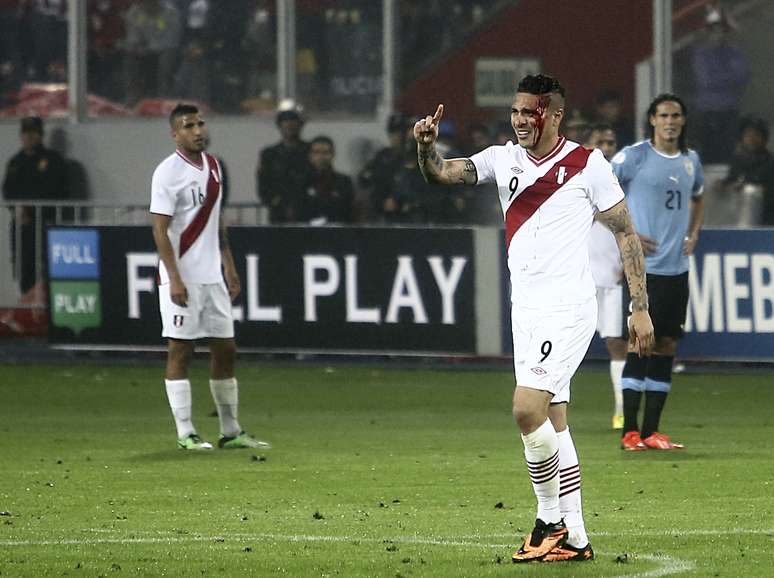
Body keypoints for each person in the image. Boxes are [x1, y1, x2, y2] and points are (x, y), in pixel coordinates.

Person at [414, 74, 654, 563]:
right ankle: (578, 539)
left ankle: (549, 521)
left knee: (527, 409)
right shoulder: (503, 159)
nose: (522, 120)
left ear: (555, 115)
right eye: (517, 112)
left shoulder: (588, 164)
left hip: (567, 309)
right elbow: (441, 173)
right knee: (553, 423)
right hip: (525, 310)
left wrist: (640, 307)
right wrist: (425, 148)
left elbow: (626, 232)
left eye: (531, 112)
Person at [150, 103, 270, 451]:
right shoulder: (167, 173)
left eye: (201, 123)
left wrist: (228, 264)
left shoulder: (215, 167)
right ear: (175, 134)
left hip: (212, 275)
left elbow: (216, 220)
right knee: (181, 350)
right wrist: (174, 278)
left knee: (226, 349)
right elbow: (159, 230)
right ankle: (185, 431)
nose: (198, 130)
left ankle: (230, 431)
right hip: (182, 275)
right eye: (189, 125)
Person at [612, 93, 704, 451]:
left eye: (676, 115)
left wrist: (694, 232)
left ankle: (651, 431)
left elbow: (698, 196)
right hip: (642, 271)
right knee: (639, 344)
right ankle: (629, 432)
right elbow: (598, 191)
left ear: (682, 121)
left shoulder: (690, 161)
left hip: (676, 271)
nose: (670, 121)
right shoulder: (633, 157)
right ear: (652, 120)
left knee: (666, 345)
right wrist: (625, 230)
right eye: (663, 115)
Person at [585, 124, 627, 429]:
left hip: (612, 275)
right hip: (581, 274)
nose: (607, 146)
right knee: (564, 343)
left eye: (611, 141)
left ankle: (621, 409)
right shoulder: (577, 176)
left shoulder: (622, 182)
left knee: (616, 343)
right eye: (601, 141)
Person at [2, 116, 69, 294]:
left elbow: (56, 190)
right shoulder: (15, 162)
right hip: (21, 226)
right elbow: (8, 190)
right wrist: (17, 209)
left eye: (33, 133)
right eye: (25, 133)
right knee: (23, 266)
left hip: (44, 224)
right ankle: (28, 305)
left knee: (46, 266)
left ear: (40, 135)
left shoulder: (52, 160)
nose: (28, 137)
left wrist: (31, 210)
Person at [256, 104, 310, 223]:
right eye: (286, 123)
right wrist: (275, 201)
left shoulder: (310, 151)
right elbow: (263, 185)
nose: (290, 126)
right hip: (278, 213)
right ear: (279, 126)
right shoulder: (269, 154)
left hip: (306, 211)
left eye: (293, 122)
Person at [358, 112, 412, 223]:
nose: (398, 137)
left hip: (412, 214)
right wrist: (381, 201)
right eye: (394, 133)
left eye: (402, 132)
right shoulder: (383, 156)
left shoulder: (417, 158)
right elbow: (364, 180)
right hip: (385, 215)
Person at [723, 116, 774, 226]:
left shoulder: (770, 163)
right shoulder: (737, 161)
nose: (752, 139)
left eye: (757, 135)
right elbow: (731, 180)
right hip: (737, 220)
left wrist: (748, 188)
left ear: (764, 139)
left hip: (765, 223)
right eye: (748, 134)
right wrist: (723, 186)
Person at [296, 135, 355, 225]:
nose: (321, 157)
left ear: (333, 155)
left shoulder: (344, 181)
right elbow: (299, 212)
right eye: (316, 152)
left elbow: (345, 211)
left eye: (326, 152)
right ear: (310, 156)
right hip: (306, 232)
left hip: (336, 231)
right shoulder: (300, 181)